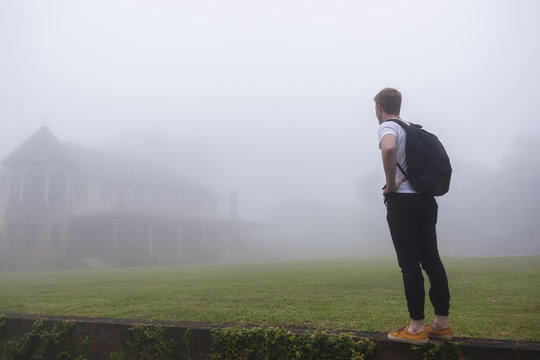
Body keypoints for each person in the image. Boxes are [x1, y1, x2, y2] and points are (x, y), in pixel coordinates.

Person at [374, 87, 453, 344]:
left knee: (409, 263)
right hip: (426, 201)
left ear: (379, 108)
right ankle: (441, 323)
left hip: (403, 203)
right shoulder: (411, 127)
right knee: (431, 259)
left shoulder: (388, 127)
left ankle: (416, 328)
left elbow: (388, 149)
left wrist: (391, 184)